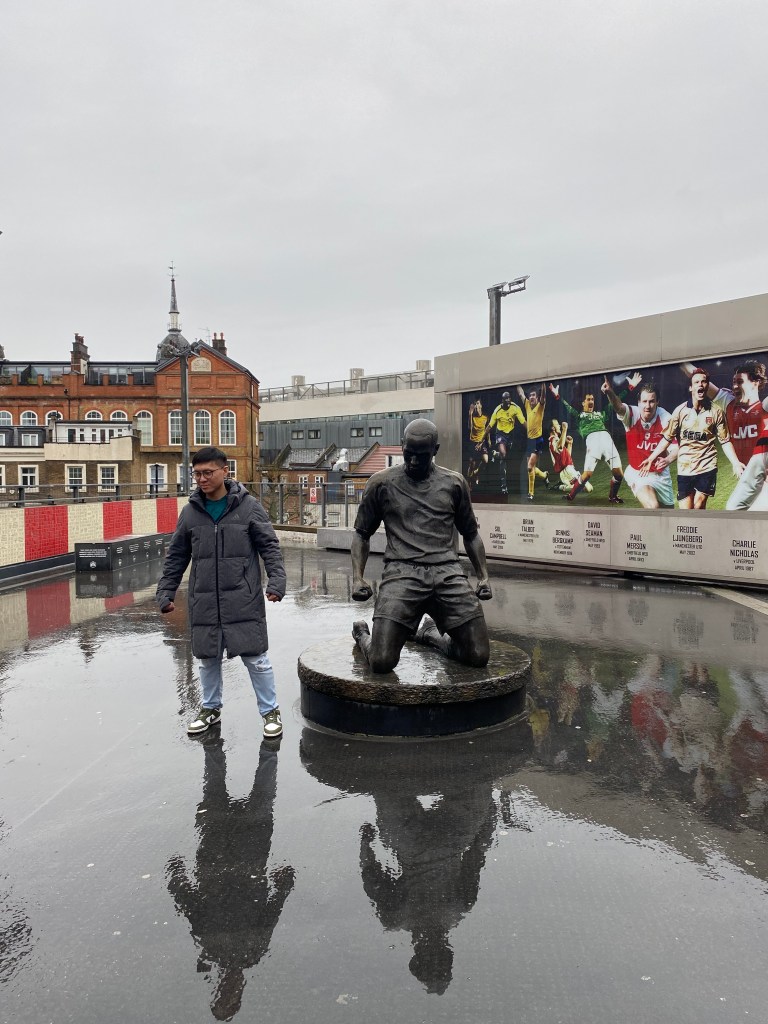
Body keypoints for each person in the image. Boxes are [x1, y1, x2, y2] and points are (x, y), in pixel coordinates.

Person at [156, 445, 287, 737]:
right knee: (207, 658)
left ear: (225, 471)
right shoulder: (190, 513)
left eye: (208, 473)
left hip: (243, 597)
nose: (202, 479)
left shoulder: (249, 507)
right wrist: (166, 591)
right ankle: (210, 708)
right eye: (197, 474)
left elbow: (270, 547)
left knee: (256, 658)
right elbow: (176, 556)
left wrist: (277, 582)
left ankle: (270, 712)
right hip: (203, 599)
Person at [351, 419, 492, 673]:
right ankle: (363, 635)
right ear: (402, 446)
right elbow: (361, 534)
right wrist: (357, 578)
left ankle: (430, 635)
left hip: (447, 572)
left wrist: (483, 576)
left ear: (435, 450)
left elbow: (471, 534)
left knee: (478, 654)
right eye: (409, 454)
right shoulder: (381, 484)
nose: (414, 461)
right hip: (402, 572)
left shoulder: (454, 483)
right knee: (382, 661)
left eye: (422, 455)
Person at [639, 368, 744, 509]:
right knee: (686, 511)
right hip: (685, 468)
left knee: (698, 505)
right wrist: (651, 458)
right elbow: (667, 439)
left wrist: (735, 463)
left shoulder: (716, 412)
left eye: (704, 381)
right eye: (696, 382)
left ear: (707, 386)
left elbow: (725, 441)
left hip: (707, 466)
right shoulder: (680, 411)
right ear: (691, 387)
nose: (700, 384)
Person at [602, 375, 677, 509]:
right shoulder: (632, 415)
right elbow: (619, 407)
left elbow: (676, 449)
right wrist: (609, 392)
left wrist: (667, 460)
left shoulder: (666, 418)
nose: (647, 406)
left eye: (652, 401)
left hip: (661, 475)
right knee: (653, 506)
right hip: (638, 473)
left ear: (658, 402)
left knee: (667, 515)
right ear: (639, 402)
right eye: (644, 401)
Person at [549, 382, 625, 503]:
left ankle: (612, 497)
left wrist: (628, 388)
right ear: (583, 403)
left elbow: (615, 403)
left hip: (606, 439)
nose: (591, 401)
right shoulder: (579, 416)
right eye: (588, 399)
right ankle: (570, 496)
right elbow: (567, 407)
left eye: (592, 399)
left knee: (619, 475)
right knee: (587, 475)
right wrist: (558, 396)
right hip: (592, 439)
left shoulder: (601, 414)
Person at [482, 391, 525, 496]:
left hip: (510, 435)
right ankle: (503, 485)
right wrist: (481, 440)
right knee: (504, 456)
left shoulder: (515, 408)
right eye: (506, 399)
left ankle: (495, 454)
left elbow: (523, 422)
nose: (508, 400)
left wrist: (531, 433)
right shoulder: (497, 410)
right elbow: (489, 427)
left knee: (504, 456)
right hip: (500, 434)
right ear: (502, 400)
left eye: (509, 398)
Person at [516, 383, 549, 500]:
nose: (531, 397)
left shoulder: (540, 406)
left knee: (530, 467)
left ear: (537, 397)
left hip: (538, 441)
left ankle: (531, 494)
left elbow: (544, 395)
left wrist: (543, 382)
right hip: (529, 441)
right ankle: (544, 475)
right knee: (531, 468)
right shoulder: (527, 405)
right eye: (530, 395)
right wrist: (515, 382)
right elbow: (520, 393)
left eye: (533, 395)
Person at [547, 419, 593, 494]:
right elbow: (560, 446)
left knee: (589, 488)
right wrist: (564, 430)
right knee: (588, 488)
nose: (559, 426)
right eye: (557, 424)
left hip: (569, 470)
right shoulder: (553, 440)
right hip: (566, 471)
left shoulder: (556, 439)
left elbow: (566, 456)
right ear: (553, 428)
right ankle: (561, 486)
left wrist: (570, 444)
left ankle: (562, 486)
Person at [465, 397, 489, 490]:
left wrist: (487, 441)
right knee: (472, 464)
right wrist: (470, 414)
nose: (476, 405)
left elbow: (486, 431)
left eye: (478, 403)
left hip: (481, 442)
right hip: (473, 442)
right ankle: (469, 483)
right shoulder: (473, 417)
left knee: (486, 460)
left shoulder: (485, 417)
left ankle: (476, 473)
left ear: (481, 405)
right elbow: (470, 427)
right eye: (475, 404)